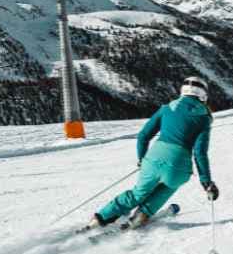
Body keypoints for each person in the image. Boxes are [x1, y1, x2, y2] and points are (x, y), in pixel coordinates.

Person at [87, 76, 219, 230]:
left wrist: (142, 159)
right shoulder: (204, 118)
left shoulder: (167, 108)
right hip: (179, 166)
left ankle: (100, 218)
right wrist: (206, 182)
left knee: (137, 194)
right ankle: (141, 215)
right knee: (167, 188)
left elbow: (143, 136)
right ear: (203, 94)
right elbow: (200, 153)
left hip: (153, 158)